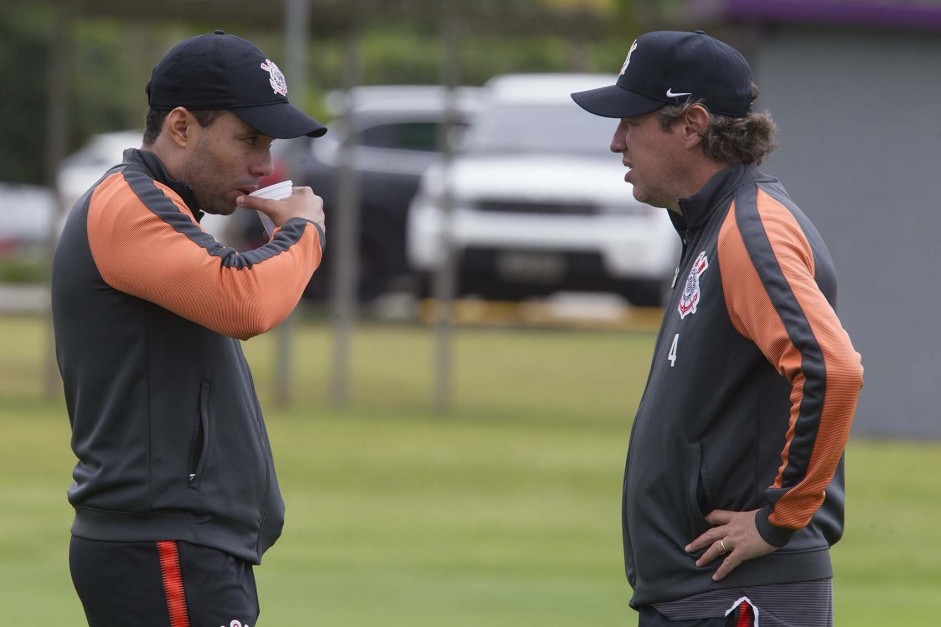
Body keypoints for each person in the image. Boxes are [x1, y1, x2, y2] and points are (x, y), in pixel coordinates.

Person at [572, 31, 864, 627]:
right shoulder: (712, 224)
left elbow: (830, 369)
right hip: (704, 594)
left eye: (631, 120)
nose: (616, 141)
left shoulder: (749, 229)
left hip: (742, 596)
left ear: (691, 124)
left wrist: (779, 516)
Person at [51, 31, 328, 627]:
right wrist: (304, 231)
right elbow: (245, 301)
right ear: (181, 127)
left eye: (270, 142)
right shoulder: (128, 206)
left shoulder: (164, 208)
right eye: (248, 139)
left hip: (179, 547)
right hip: (163, 546)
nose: (264, 163)